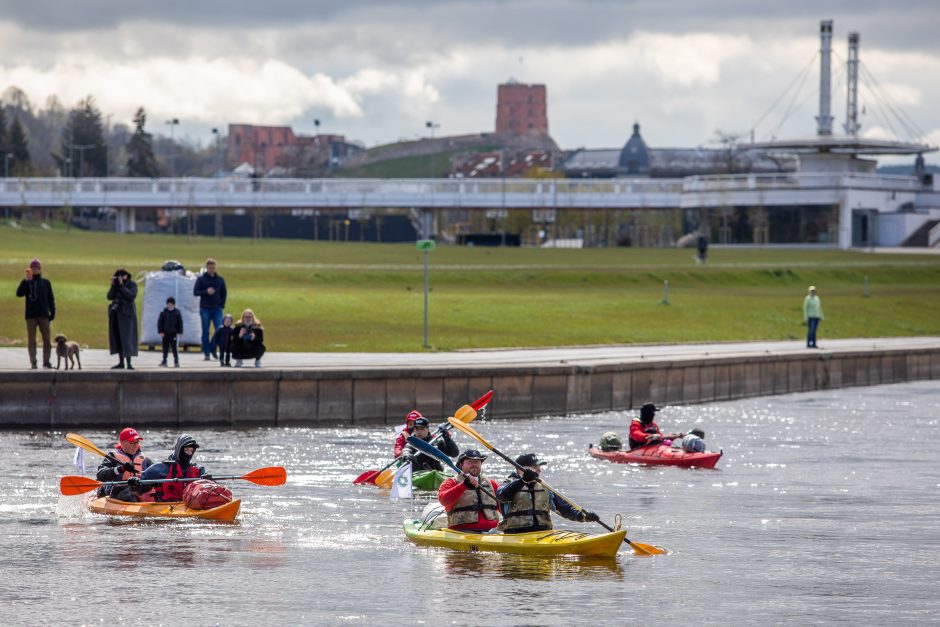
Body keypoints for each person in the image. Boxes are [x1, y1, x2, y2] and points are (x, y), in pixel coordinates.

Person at [496, 453, 599, 534]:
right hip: (516, 534)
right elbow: (502, 496)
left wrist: (583, 516)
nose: (539, 470)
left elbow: (565, 509)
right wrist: (522, 481)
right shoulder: (508, 484)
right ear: (520, 469)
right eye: (534, 467)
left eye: (539, 467)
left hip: (543, 533)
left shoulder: (545, 487)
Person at [129, 434, 209, 502]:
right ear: (179, 450)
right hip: (164, 506)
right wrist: (134, 485)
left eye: (191, 451)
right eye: (186, 450)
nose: (189, 453)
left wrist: (210, 481)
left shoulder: (199, 470)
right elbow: (140, 489)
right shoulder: (160, 468)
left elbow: (210, 487)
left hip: (190, 506)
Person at [437, 449, 501, 532]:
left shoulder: (492, 483)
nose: (474, 464)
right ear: (461, 465)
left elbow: (505, 506)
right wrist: (463, 485)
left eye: (477, 462)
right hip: (462, 532)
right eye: (470, 462)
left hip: (492, 532)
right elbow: (443, 500)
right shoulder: (451, 482)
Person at [15, 258, 56, 369]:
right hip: (31, 316)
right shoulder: (27, 282)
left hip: (44, 315)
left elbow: (50, 299)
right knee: (31, 340)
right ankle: (33, 361)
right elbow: (19, 293)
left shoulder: (46, 283)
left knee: (47, 339)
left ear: (40, 269)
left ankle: (46, 361)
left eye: (36, 267)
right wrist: (25, 281)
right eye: (32, 267)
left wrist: (52, 313)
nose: (34, 269)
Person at [96, 427, 153, 501]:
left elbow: (156, 472)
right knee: (130, 496)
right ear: (122, 442)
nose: (135, 446)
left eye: (137, 442)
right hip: (118, 490)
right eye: (132, 443)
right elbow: (100, 475)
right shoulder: (113, 456)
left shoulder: (144, 458)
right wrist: (121, 469)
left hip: (139, 488)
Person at [193, 258, 227, 361]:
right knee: (206, 331)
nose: (211, 269)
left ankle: (213, 348)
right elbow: (195, 292)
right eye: (210, 268)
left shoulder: (220, 280)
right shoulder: (201, 279)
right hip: (205, 308)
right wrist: (206, 292)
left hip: (217, 309)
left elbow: (224, 293)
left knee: (219, 330)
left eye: (213, 267)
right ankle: (206, 353)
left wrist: (221, 305)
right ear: (206, 268)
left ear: (215, 268)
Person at [107, 268, 139, 370]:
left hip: (127, 315)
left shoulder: (132, 285)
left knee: (127, 339)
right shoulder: (116, 286)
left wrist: (121, 286)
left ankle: (129, 363)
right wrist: (113, 285)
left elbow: (131, 296)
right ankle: (121, 362)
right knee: (118, 338)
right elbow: (109, 296)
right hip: (116, 314)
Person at [157, 296, 183, 368]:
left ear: (174, 304)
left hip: (173, 334)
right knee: (165, 347)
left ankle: (176, 361)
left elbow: (180, 323)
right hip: (165, 334)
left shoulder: (177, 312)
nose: (170, 305)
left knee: (174, 348)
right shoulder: (163, 312)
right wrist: (160, 331)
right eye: (168, 304)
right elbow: (160, 322)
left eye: (171, 304)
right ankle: (164, 360)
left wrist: (180, 332)